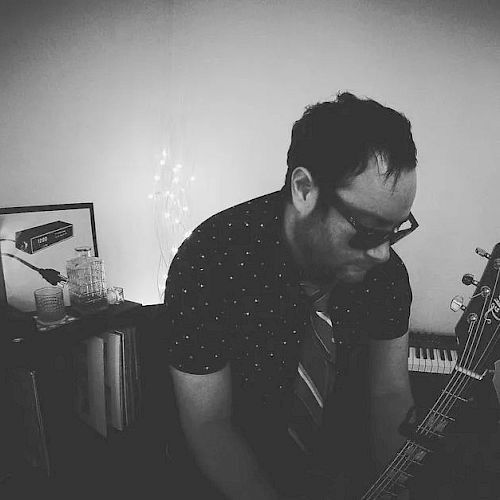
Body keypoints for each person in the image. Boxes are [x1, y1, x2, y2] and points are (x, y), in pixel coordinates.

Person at [163, 91, 418, 499]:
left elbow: (388, 393)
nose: (383, 252)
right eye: (368, 230)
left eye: (396, 231)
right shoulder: (211, 260)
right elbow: (209, 425)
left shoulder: (386, 274)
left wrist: (400, 486)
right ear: (304, 189)